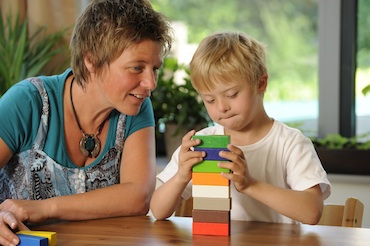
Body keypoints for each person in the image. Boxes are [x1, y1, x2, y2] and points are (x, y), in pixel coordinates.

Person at [0, 0, 172, 245]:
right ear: (90, 60)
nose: (151, 83)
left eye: (154, 68)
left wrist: (44, 208)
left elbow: (139, 196)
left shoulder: (136, 106)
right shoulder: (27, 102)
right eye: (136, 68)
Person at [150, 31, 331, 224]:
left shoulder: (290, 142)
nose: (222, 107)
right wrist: (180, 177)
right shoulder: (202, 144)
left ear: (260, 83)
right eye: (209, 99)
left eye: (232, 94)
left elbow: (311, 212)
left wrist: (250, 184)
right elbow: (158, 211)